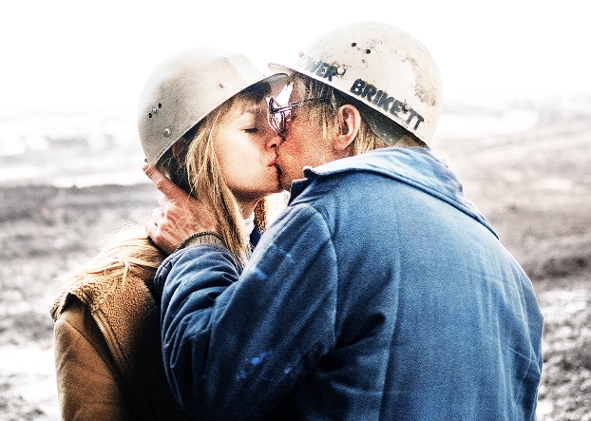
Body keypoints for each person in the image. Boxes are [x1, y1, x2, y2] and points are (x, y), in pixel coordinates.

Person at [145, 22, 544, 420]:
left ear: (343, 126)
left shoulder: (328, 220)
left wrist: (199, 246)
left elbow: (212, 386)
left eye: (290, 112)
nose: (279, 132)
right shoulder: (509, 275)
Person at [50, 47, 286, 420]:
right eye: (251, 127)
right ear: (183, 152)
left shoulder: (294, 253)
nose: (275, 137)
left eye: (273, 116)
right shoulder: (103, 301)